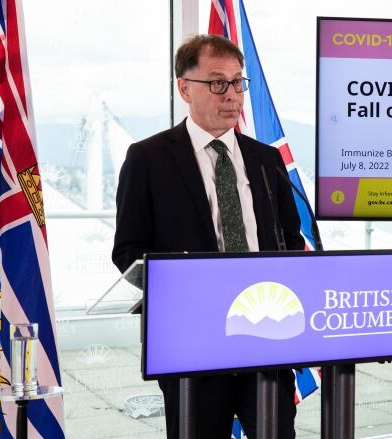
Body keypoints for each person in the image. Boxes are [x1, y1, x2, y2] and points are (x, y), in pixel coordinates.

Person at [112, 34, 303, 438]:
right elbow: (128, 251)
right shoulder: (148, 159)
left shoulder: (267, 160)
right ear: (185, 88)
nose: (232, 94)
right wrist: (189, 287)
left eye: (238, 82)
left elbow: (288, 237)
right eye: (218, 83)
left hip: (266, 336)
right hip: (191, 344)